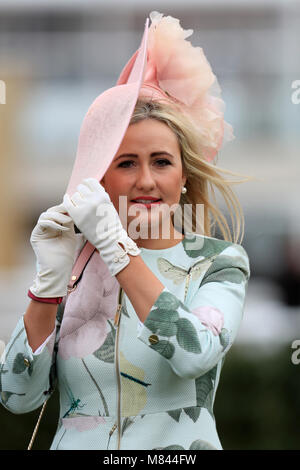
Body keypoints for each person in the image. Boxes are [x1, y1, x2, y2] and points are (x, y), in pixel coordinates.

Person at [0, 12, 250, 450]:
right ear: (101, 177)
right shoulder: (74, 265)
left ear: (185, 174)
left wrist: (117, 251)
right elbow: (16, 397)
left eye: (162, 161)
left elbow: (196, 354)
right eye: (127, 163)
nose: (146, 181)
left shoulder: (220, 262)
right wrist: (48, 284)